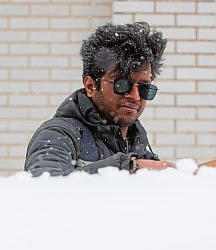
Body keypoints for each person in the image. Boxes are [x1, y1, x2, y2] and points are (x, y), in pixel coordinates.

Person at [24, 22, 175, 176]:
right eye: (122, 85)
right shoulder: (58, 135)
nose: (135, 96)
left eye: (144, 88)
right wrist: (128, 167)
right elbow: (45, 186)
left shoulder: (138, 145)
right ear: (90, 86)